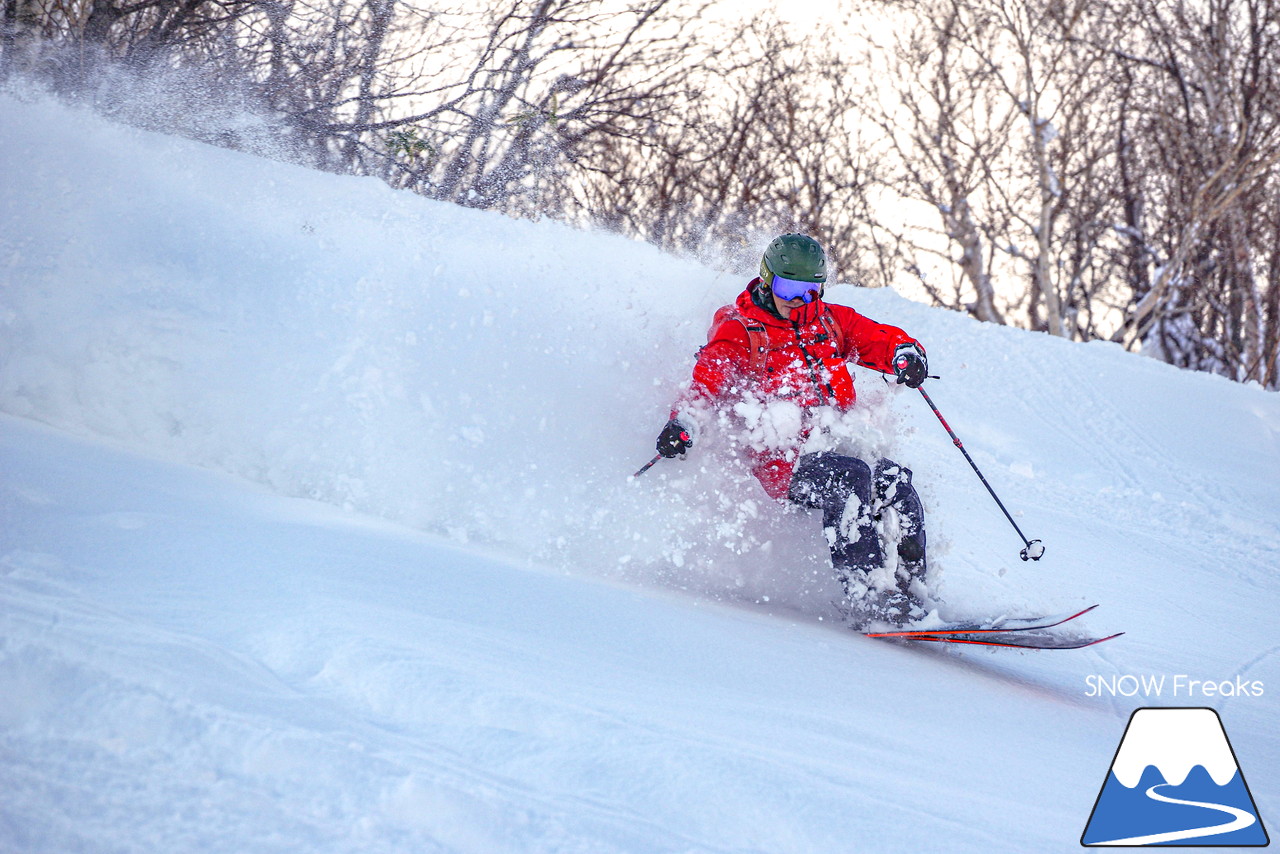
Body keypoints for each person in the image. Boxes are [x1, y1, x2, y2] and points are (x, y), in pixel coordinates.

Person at [655, 233, 931, 627]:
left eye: (810, 290)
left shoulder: (830, 321)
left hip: (835, 443)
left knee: (894, 481)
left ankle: (912, 594)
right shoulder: (743, 331)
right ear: (768, 280)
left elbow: (876, 339)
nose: (799, 300)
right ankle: (867, 596)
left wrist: (904, 354)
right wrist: (683, 423)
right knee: (850, 478)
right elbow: (708, 381)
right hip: (780, 462)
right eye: (789, 287)